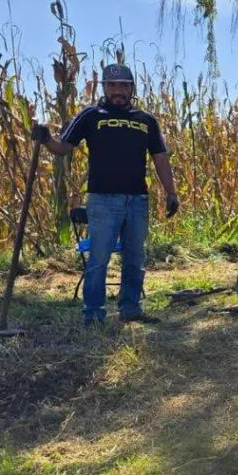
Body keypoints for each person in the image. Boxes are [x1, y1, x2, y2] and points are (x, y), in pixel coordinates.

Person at [32, 63, 179, 327]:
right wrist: (45, 139)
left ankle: (131, 309)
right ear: (105, 88)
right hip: (103, 200)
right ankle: (93, 314)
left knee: (135, 258)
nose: (118, 90)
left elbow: (160, 158)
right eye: (112, 85)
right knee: (99, 259)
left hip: (137, 200)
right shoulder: (91, 115)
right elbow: (64, 147)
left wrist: (171, 192)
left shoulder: (146, 120)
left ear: (132, 88)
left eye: (123, 85)